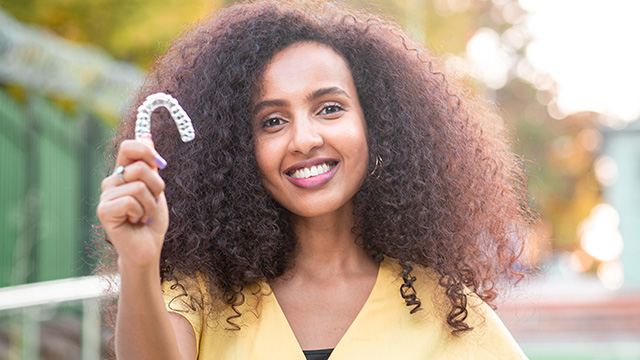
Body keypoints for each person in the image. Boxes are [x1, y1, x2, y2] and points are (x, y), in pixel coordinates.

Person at [96, 0, 532, 359]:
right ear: (237, 148)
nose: (304, 139)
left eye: (329, 108)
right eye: (271, 121)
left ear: (377, 125)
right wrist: (138, 262)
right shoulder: (200, 296)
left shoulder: (447, 311)